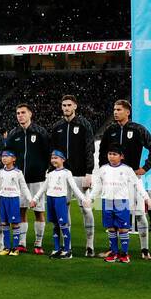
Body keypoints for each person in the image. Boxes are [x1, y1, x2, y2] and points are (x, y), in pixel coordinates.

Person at [100, 99, 151, 260]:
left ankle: (145, 249)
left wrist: (145, 168)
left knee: (139, 214)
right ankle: (114, 250)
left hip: (133, 178)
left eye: (119, 109)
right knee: (112, 219)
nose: (115, 112)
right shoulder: (110, 129)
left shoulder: (138, 129)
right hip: (114, 182)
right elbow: (102, 152)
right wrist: (102, 172)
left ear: (127, 112)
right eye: (114, 109)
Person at [49, 94, 97, 256]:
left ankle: (89, 244)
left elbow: (90, 149)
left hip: (80, 174)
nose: (66, 108)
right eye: (64, 105)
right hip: (61, 175)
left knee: (86, 208)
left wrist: (89, 173)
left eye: (69, 105)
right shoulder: (57, 127)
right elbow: (53, 152)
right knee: (64, 208)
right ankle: (65, 244)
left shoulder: (84, 124)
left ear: (75, 106)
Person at [90, 145, 150, 263]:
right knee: (111, 229)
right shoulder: (103, 169)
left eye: (114, 154)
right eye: (110, 154)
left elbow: (137, 184)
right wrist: (91, 198)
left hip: (121, 202)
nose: (111, 157)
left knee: (123, 229)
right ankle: (114, 253)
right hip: (107, 201)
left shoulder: (127, 170)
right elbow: (98, 186)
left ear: (121, 156)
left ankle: (124, 254)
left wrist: (146, 198)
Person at [4, 103, 50, 254]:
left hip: (37, 178)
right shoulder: (13, 134)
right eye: (18, 113)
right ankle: (22, 242)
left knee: (39, 211)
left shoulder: (40, 132)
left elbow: (48, 153)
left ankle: (38, 243)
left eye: (23, 112)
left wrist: (43, 169)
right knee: (21, 211)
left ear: (30, 114)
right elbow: (8, 154)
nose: (20, 115)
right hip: (19, 180)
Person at [37, 149, 90, 259]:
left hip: (60, 200)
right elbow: (43, 187)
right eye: (52, 158)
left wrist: (83, 198)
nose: (53, 160)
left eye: (56, 158)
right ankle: (56, 248)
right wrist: (35, 198)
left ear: (63, 160)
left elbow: (74, 188)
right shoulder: (50, 173)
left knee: (63, 225)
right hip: (50, 199)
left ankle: (67, 250)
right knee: (55, 225)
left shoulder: (67, 173)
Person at [0, 148, 35, 256]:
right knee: (4, 223)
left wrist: (30, 199)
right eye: (3, 156)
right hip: (3, 199)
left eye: (7, 156)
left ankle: (15, 248)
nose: (4, 158)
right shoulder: (0, 172)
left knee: (15, 223)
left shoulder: (18, 173)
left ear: (14, 159)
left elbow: (24, 187)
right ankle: (7, 248)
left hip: (13, 199)